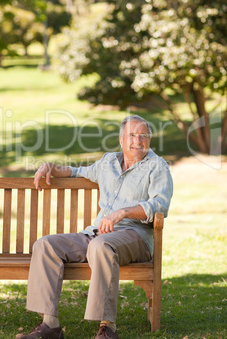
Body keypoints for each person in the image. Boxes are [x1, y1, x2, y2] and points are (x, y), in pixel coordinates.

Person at [16, 115, 173, 339]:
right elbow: (76, 172)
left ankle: (107, 328)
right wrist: (50, 167)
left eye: (143, 135)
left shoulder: (157, 166)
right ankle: (50, 325)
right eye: (132, 135)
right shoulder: (108, 162)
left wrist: (124, 212)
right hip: (96, 234)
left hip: (134, 236)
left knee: (101, 246)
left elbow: (160, 204)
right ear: (121, 140)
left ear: (149, 139)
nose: (137, 141)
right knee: (45, 245)